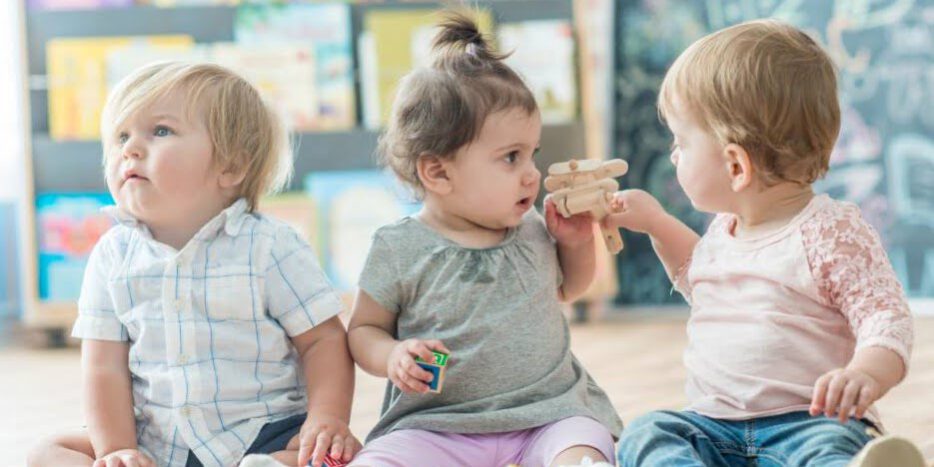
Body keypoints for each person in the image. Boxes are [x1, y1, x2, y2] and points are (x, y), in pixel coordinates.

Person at [604, 19, 924, 467]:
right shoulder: (723, 229)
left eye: (680, 142)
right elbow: (701, 280)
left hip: (809, 424)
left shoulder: (830, 232)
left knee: (829, 450)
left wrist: (864, 373)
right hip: (712, 426)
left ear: (736, 166)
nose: (674, 155)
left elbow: (885, 315)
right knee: (648, 432)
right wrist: (656, 223)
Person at [28, 62, 360, 467]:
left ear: (231, 167)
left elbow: (323, 341)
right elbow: (103, 365)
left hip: (265, 431)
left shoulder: (270, 246)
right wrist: (118, 449)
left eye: (161, 131)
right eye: (120, 136)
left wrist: (327, 419)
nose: (129, 149)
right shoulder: (113, 255)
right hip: (159, 441)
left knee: (332, 456)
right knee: (49, 453)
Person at [345, 11, 623, 467]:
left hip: (548, 414)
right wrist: (392, 353)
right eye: (510, 158)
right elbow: (362, 330)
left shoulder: (531, 225)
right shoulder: (398, 247)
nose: (531, 174)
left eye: (532, 154)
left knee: (587, 450)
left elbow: (570, 288)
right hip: (437, 426)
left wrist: (575, 242)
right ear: (437, 172)